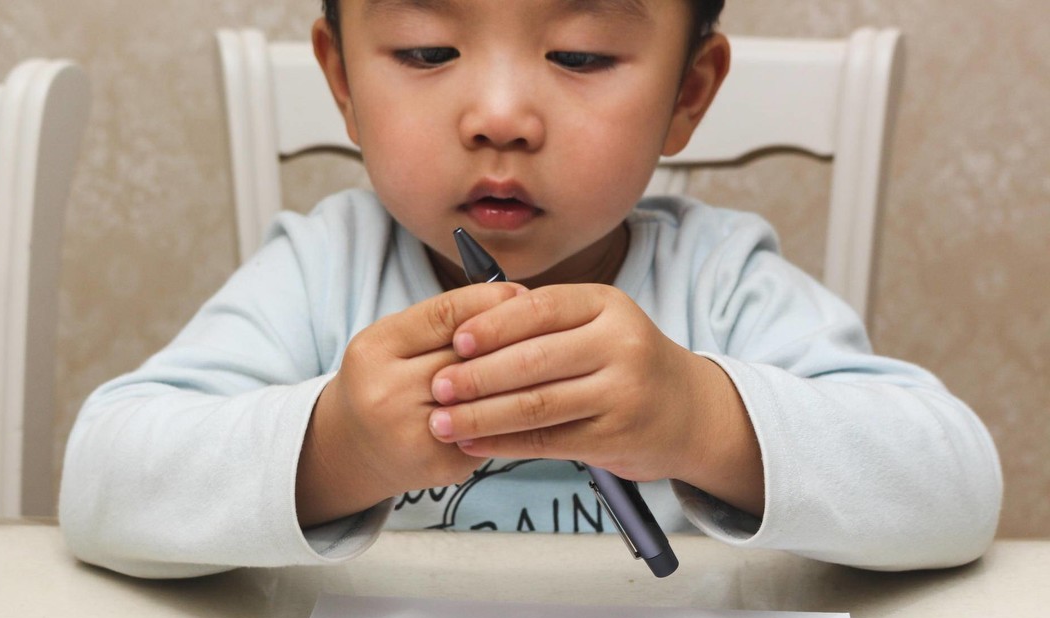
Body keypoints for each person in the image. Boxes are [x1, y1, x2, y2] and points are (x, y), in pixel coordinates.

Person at [59, 0, 1002, 579]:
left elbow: (956, 490)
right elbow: (101, 484)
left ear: (688, 92)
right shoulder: (320, 269)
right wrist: (336, 447)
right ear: (341, 78)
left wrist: (701, 416)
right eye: (428, 50)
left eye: (581, 54)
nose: (500, 117)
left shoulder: (718, 281)